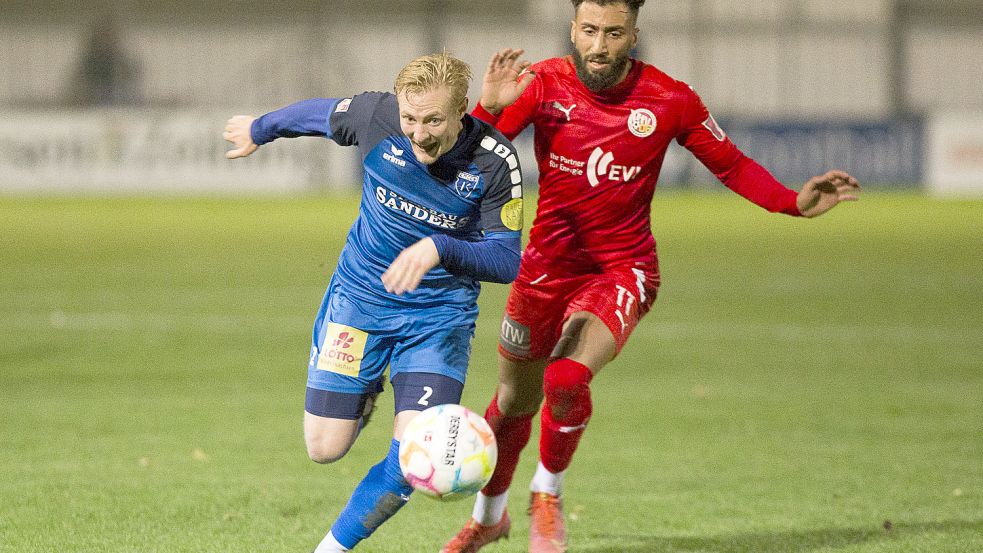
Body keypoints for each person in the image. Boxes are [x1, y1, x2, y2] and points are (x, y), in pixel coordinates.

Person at [441, 1, 861, 552]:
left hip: (624, 268)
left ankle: (547, 492)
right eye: (589, 31)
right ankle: (489, 520)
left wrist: (790, 201)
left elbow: (730, 164)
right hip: (545, 267)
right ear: (573, 29)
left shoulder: (670, 99)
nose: (599, 46)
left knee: (566, 378)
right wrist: (489, 111)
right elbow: (476, 159)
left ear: (633, 34)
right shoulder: (541, 84)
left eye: (613, 33)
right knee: (513, 402)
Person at [223, 52, 525, 552]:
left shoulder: (496, 161)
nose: (419, 133)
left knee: (413, 457)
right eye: (411, 118)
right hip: (359, 301)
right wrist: (261, 128)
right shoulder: (375, 117)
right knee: (324, 449)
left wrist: (437, 247)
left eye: (433, 121)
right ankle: (364, 396)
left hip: (437, 319)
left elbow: (506, 260)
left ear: (463, 111)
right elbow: (317, 116)